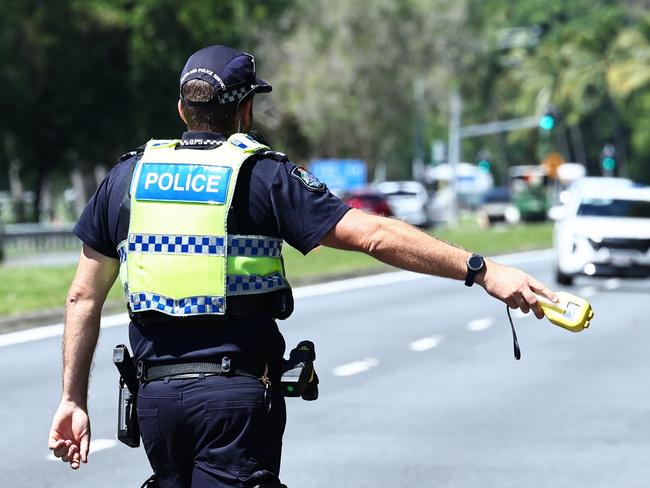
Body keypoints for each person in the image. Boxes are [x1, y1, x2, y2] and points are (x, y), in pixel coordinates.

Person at [48, 44, 557, 487]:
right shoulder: (262, 174)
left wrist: (72, 399)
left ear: (183, 109)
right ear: (245, 110)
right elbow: (374, 234)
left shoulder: (128, 178)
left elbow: (82, 297)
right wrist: (482, 269)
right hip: (234, 403)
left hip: (155, 399)